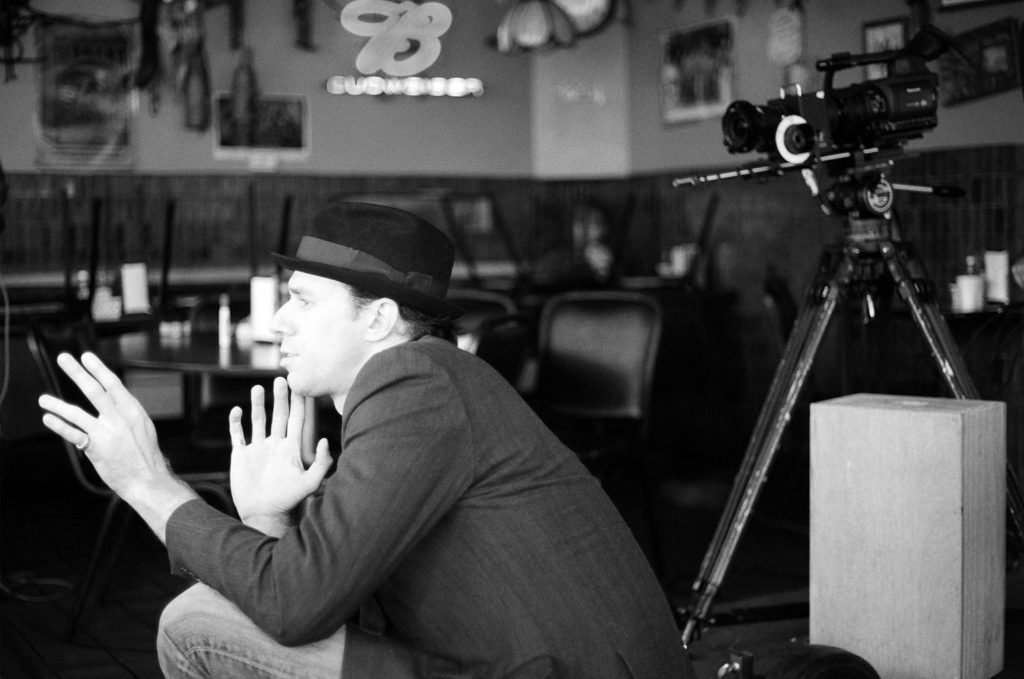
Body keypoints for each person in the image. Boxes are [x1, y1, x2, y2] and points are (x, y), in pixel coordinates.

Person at [38, 202, 695, 679]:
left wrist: (146, 482)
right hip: (519, 660)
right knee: (210, 610)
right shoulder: (423, 385)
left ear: (379, 317)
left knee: (195, 625)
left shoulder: (415, 380)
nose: (280, 322)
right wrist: (267, 518)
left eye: (303, 301)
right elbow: (325, 589)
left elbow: (297, 605)